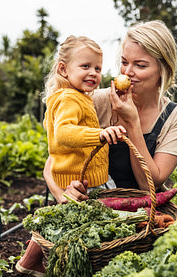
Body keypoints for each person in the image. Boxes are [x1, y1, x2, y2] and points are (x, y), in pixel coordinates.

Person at [16, 20, 177, 277]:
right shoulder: (95, 100)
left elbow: (150, 184)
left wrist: (130, 121)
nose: (128, 72)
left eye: (140, 65)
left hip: (143, 213)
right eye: (124, 62)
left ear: (163, 69)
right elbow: (53, 162)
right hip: (97, 210)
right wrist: (63, 197)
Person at [43, 35, 126, 191]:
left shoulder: (74, 97)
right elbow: (62, 132)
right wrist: (99, 134)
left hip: (89, 178)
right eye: (85, 66)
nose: (93, 73)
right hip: (84, 182)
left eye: (97, 68)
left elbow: (51, 127)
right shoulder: (70, 98)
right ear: (63, 69)